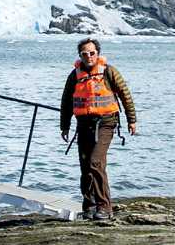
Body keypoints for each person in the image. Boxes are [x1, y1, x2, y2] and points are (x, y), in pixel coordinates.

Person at [58, 38, 138, 221]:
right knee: (85, 166)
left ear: (98, 53)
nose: (88, 57)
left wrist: (131, 120)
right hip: (83, 123)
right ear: (80, 55)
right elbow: (66, 101)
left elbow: (125, 95)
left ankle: (104, 207)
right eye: (84, 54)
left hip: (106, 122)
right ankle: (89, 205)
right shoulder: (74, 75)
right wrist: (64, 125)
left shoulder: (109, 72)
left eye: (92, 53)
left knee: (96, 162)